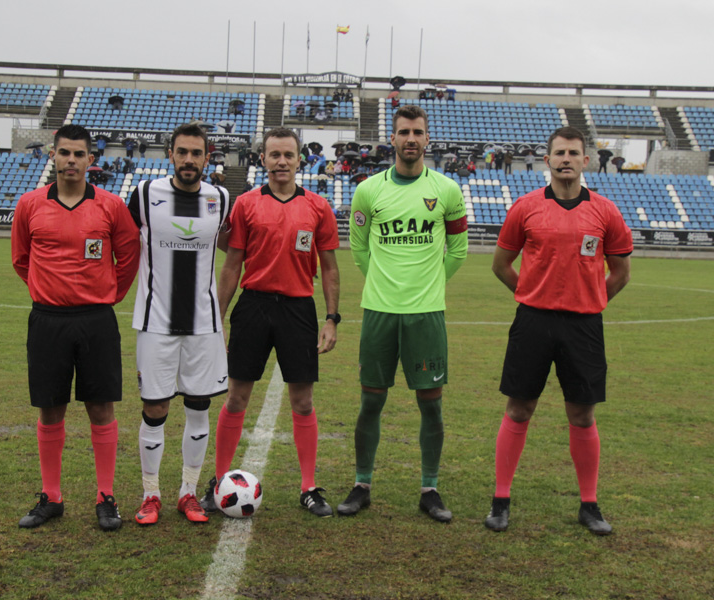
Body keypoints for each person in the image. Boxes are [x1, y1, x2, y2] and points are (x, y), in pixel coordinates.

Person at [484, 126, 632, 535]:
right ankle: (500, 499)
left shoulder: (605, 212)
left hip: (584, 325)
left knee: (582, 414)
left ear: (586, 161)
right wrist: (531, 295)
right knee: (519, 408)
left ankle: (589, 504)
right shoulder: (525, 207)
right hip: (533, 321)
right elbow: (500, 265)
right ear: (547, 160)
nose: (566, 159)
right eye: (559, 153)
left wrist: (591, 301)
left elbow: (621, 273)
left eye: (573, 153)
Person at [201, 127, 341, 518]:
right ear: (262, 159)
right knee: (237, 397)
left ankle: (309, 487)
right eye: (274, 155)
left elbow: (330, 269)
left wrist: (331, 318)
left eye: (288, 155)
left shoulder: (318, 207)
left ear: (300, 160)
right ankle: (218, 482)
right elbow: (231, 266)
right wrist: (218, 319)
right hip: (254, 306)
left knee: (302, 400)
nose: (281, 162)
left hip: (298, 309)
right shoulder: (245, 205)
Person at [11, 124, 141, 531]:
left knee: (100, 407)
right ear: (53, 156)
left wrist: (107, 296)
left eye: (78, 154)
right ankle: (51, 497)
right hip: (48, 320)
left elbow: (128, 255)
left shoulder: (110, 206)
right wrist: (48, 290)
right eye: (64, 152)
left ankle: (106, 497)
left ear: (90, 160)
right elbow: (20, 259)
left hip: (96, 321)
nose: (71, 160)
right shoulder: (30, 204)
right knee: (51, 408)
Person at [342, 105, 468, 522]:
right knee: (370, 402)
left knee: (431, 404)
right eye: (403, 132)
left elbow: (460, 250)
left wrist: (428, 285)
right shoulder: (368, 191)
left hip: (427, 315)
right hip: (379, 311)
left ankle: (429, 488)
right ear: (392, 139)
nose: (410, 138)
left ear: (427, 139)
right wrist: (383, 281)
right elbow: (359, 248)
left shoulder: (448, 190)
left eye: (417, 131)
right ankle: (362, 484)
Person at [128, 124, 232, 527]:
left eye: (197, 153)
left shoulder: (220, 198)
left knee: (198, 405)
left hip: (204, 325)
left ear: (208, 157)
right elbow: (119, 239)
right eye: (182, 152)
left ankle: (187, 492)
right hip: (156, 321)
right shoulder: (143, 196)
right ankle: (150, 494)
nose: (189, 160)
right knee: (155, 407)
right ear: (170, 154)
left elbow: (235, 248)